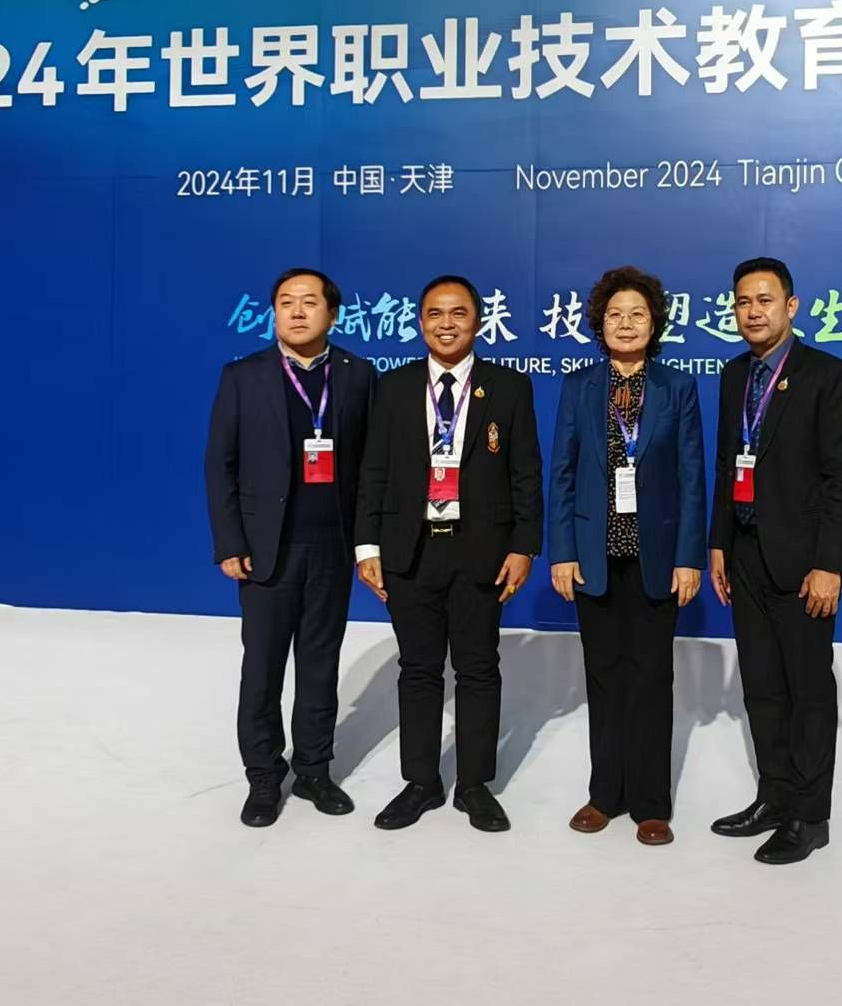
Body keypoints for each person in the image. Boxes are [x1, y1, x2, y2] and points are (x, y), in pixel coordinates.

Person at [354, 276, 543, 832]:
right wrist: (367, 545)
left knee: (478, 668)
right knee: (418, 669)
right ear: (420, 322)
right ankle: (421, 782)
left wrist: (524, 546)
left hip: (481, 549)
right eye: (435, 313)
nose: (446, 323)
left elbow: (526, 473)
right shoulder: (393, 386)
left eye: (458, 313)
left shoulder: (508, 387)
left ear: (477, 321)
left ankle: (474, 785)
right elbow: (373, 470)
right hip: (409, 549)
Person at [205, 268, 377, 828]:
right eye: (285, 302)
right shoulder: (244, 376)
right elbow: (220, 465)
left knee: (320, 666)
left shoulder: (357, 375)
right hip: (266, 551)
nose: (297, 312)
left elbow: (371, 468)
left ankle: (313, 770)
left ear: (333, 313)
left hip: (332, 547)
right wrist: (230, 541)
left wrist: (367, 544)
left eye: (309, 302)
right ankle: (263, 776)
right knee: (262, 669)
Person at [708, 257, 842, 865]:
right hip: (745, 555)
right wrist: (718, 544)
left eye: (765, 300)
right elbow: (728, 465)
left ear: (791, 307)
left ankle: (808, 815)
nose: (753, 312)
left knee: (808, 693)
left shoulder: (828, 375)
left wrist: (829, 564)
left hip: (803, 565)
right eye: (743, 302)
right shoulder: (733, 375)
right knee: (762, 687)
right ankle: (773, 797)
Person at [548, 266, 706, 846]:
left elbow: (692, 478)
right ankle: (604, 794)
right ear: (599, 323)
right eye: (615, 314)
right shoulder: (579, 387)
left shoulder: (677, 388)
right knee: (604, 676)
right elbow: (562, 474)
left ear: (654, 323)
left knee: (651, 677)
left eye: (637, 314)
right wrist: (562, 552)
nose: (626, 323)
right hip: (594, 554)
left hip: (656, 555)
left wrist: (688, 557)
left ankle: (651, 803)